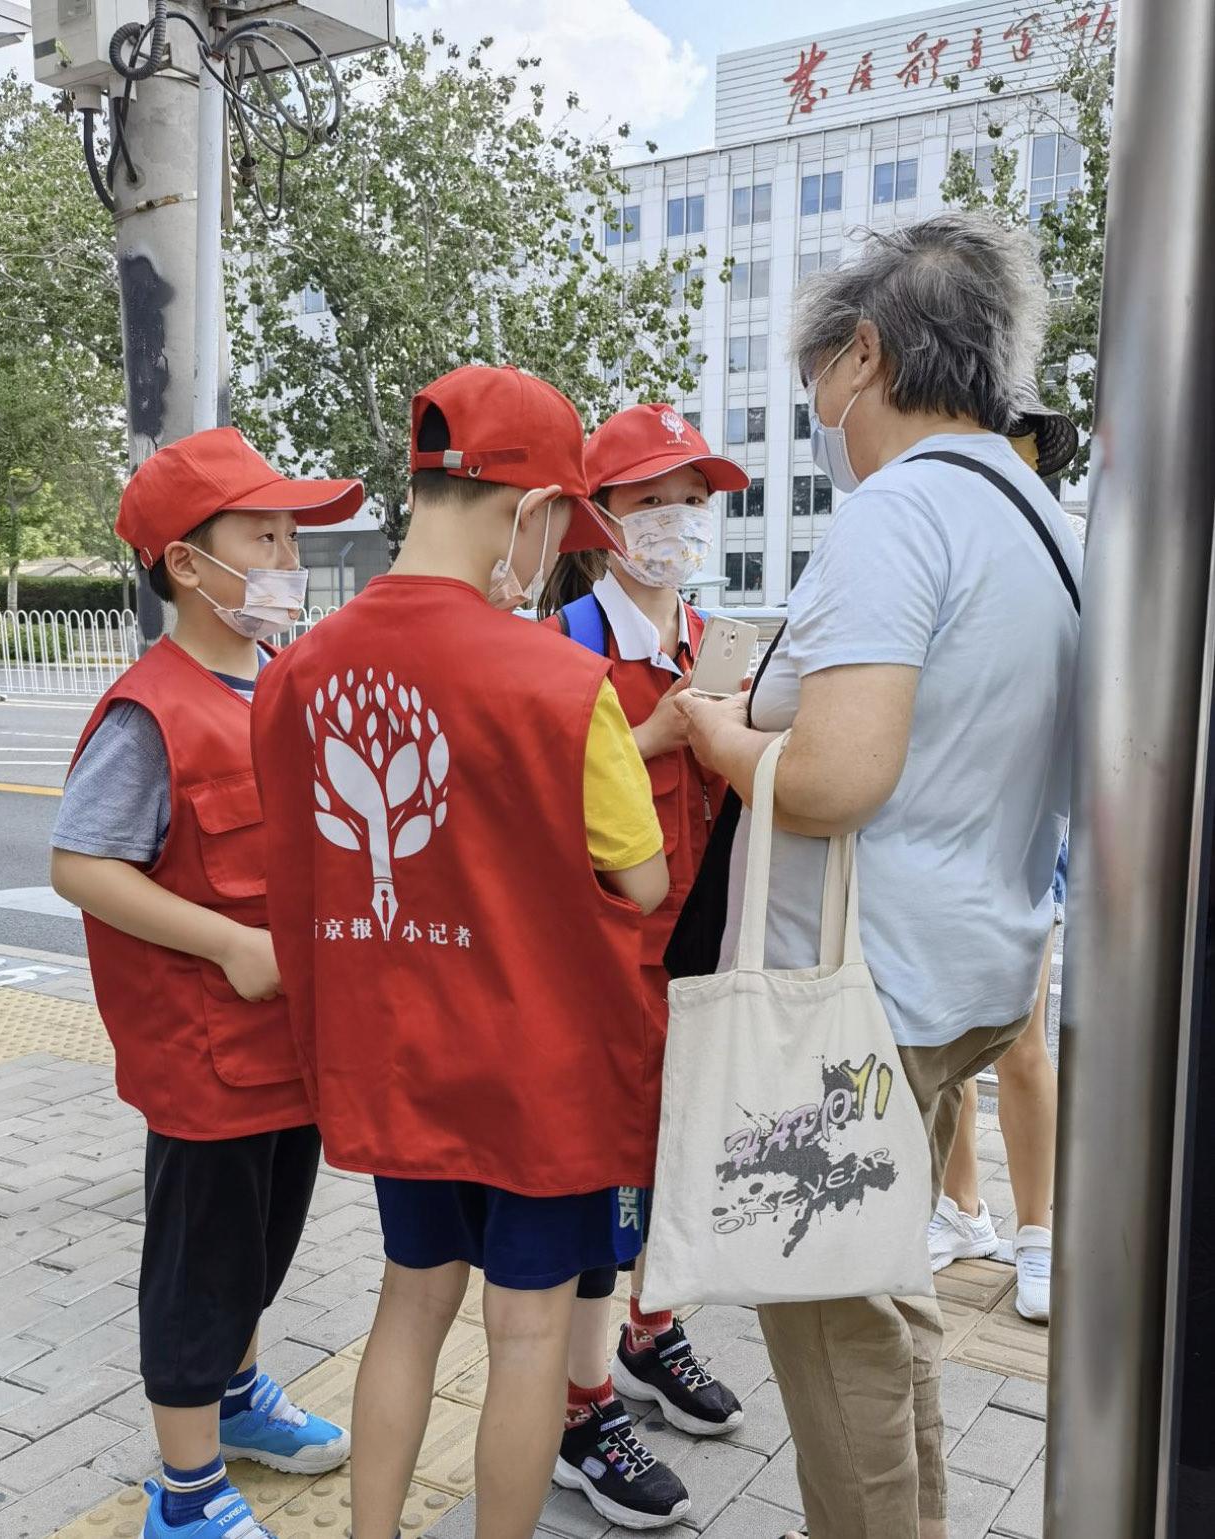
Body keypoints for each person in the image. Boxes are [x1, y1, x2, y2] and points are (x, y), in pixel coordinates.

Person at [676, 212, 1082, 1539]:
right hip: (974, 965)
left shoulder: (898, 509)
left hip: (852, 989)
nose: (824, 420)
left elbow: (841, 776)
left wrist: (717, 728)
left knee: (831, 1310)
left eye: (820, 389)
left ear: (865, 354)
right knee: (882, 1275)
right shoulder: (1041, 512)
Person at [250, 364, 671, 1539]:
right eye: (563, 530)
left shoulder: (295, 676)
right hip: (540, 1079)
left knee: (408, 1304)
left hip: (396, 1061)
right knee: (528, 1332)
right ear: (532, 511)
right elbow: (639, 879)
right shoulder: (559, 683)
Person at [50, 428, 362, 1539]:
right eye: (263, 534)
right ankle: (184, 1496)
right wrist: (226, 944)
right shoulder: (154, 709)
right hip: (208, 1063)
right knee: (197, 1271)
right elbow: (80, 863)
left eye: (291, 532)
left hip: (292, 1054)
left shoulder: (276, 683)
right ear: (186, 562)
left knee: (260, 1249)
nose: (288, 554)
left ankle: (235, 1400)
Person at [538, 404, 747, 1528]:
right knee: (605, 1187)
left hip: (697, 964)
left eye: (695, 499)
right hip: (602, 975)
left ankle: (647, 1335)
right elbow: (529, 823)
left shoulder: (709, 637)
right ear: (602, 517)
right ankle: (578, 1414)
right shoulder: (562, 642)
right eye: (655, 499)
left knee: (678, 1170)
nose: (678, 520)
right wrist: (654, 739)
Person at [930, 389, 1086, 1324]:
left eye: (1023, 446)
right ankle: (966, 1209)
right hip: (948, 826)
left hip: (1027, 829)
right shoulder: (952, 534)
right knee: (949, 1045)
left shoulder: (1059, 546)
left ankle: (1040, 1232)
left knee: (1020, 1041)